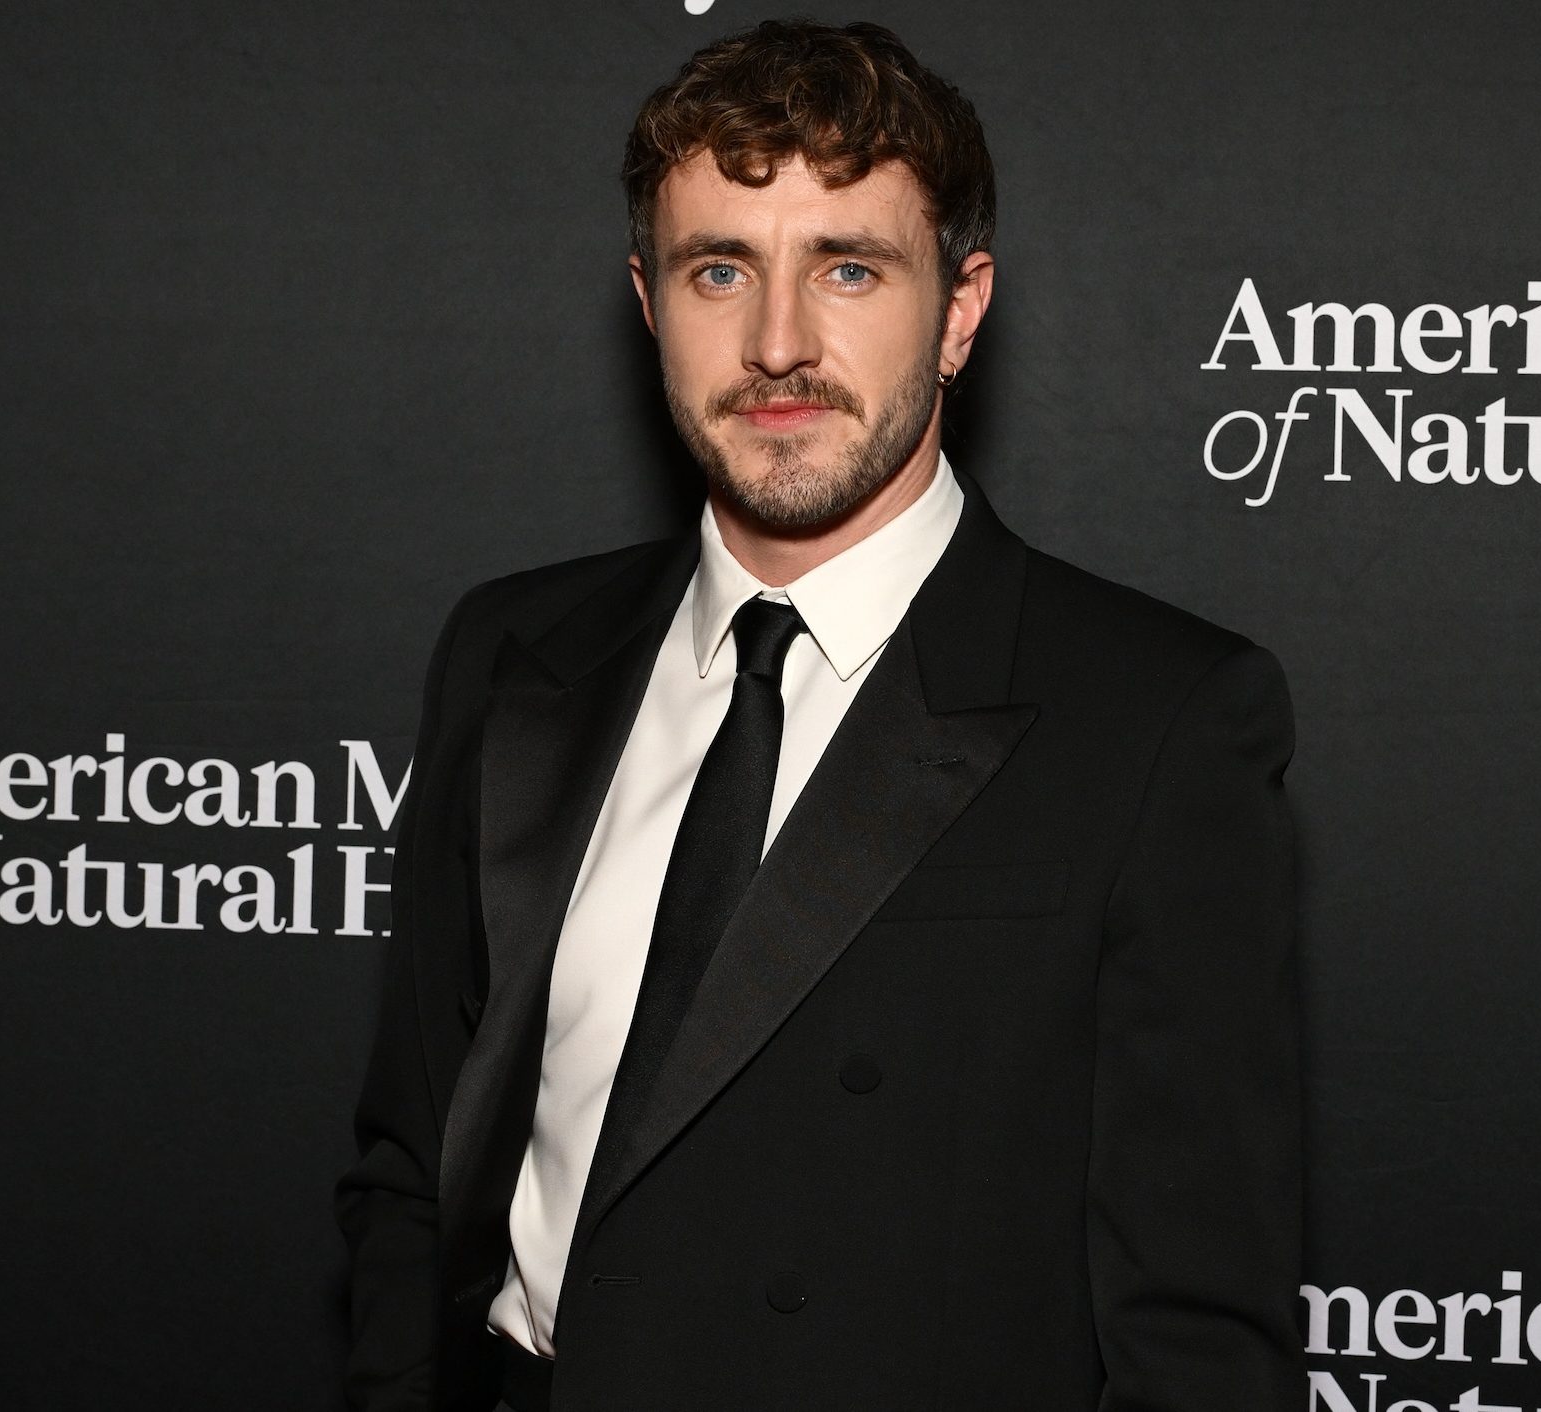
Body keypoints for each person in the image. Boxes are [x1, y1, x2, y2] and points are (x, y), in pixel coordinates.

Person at [336, 19, 1302, 1411]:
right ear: (648, 299)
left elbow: (1198, 1333)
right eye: (719, 268)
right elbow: (410, 1167)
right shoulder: (513, 651)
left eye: (848, 267)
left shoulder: (1159, 722)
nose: (777, 342)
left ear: (962, 307)